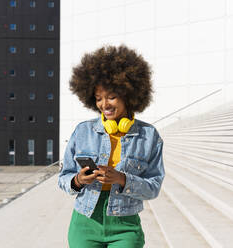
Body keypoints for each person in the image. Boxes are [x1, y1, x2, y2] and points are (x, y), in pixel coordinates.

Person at [58, 45, 165, 248]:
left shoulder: (149, 136)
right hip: (85, 222)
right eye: (98, 98)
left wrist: (122, 179)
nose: (104, 104)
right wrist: (78, 180)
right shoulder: (82, 132)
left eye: (111, 96)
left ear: (129, 94)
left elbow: (153, 188)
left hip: (125, 225)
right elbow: (63, 178)